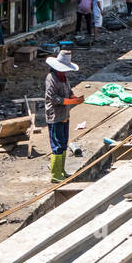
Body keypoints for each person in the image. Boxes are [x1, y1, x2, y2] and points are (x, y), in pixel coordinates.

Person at [44, 50, 83, 181]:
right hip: (55, 116)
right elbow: (54, 98)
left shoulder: (63, 77)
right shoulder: (51, 79)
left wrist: (74, 97)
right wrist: (72, 101)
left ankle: (62, 170)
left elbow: (68, 91)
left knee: (64, 142)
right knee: (57, 145)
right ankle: (55, 174)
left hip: (64, 114)